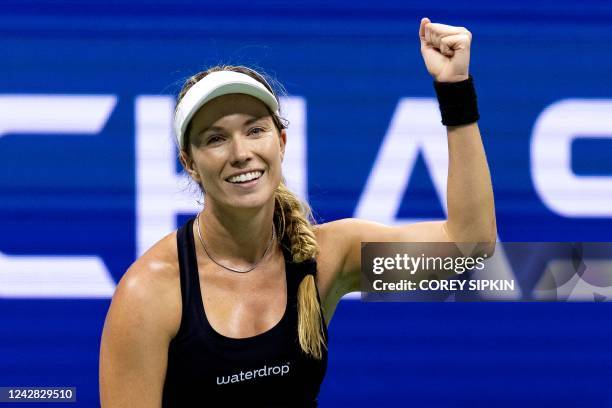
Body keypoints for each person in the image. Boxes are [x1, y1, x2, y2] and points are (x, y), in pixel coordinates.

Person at [99, 17, 496, 407]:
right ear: (190, 162)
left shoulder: (328, 257)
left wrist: (455, 90)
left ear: (282, 141)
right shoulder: (150, 292)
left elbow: (468, 247)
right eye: (216, 138)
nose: (241, 154)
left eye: (255, 130)